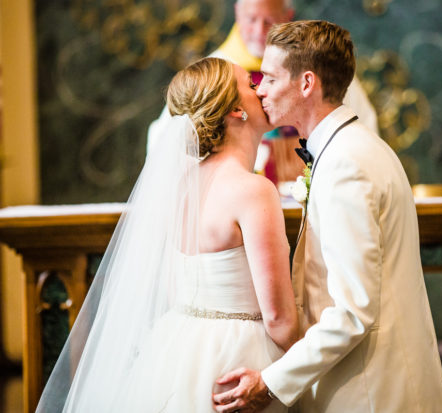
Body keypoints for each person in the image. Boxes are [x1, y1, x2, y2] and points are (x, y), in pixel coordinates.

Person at [212, 21, 442, 413]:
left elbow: (353, 312)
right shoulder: (348, 149)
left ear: (307, 83)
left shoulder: (346, 165)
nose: (260, 89)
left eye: (271, 78)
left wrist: (270, 383)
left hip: (374, 394)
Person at [36, 57, 298, 412]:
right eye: (251, 85)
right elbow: (279, 320)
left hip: (178, 349)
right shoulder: (252, 190)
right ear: (236, 109)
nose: (261, 90)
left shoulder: (181, 186)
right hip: (240, 360)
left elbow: (178, 287)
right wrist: (316, 366)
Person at [147, 0, 378, 183]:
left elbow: (361, 127)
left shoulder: (320, 66)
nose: (259, 30)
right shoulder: (213, 75)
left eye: (268, 20)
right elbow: (168, 139)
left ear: (287, 16)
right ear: (237, 14)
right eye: (251, 19)